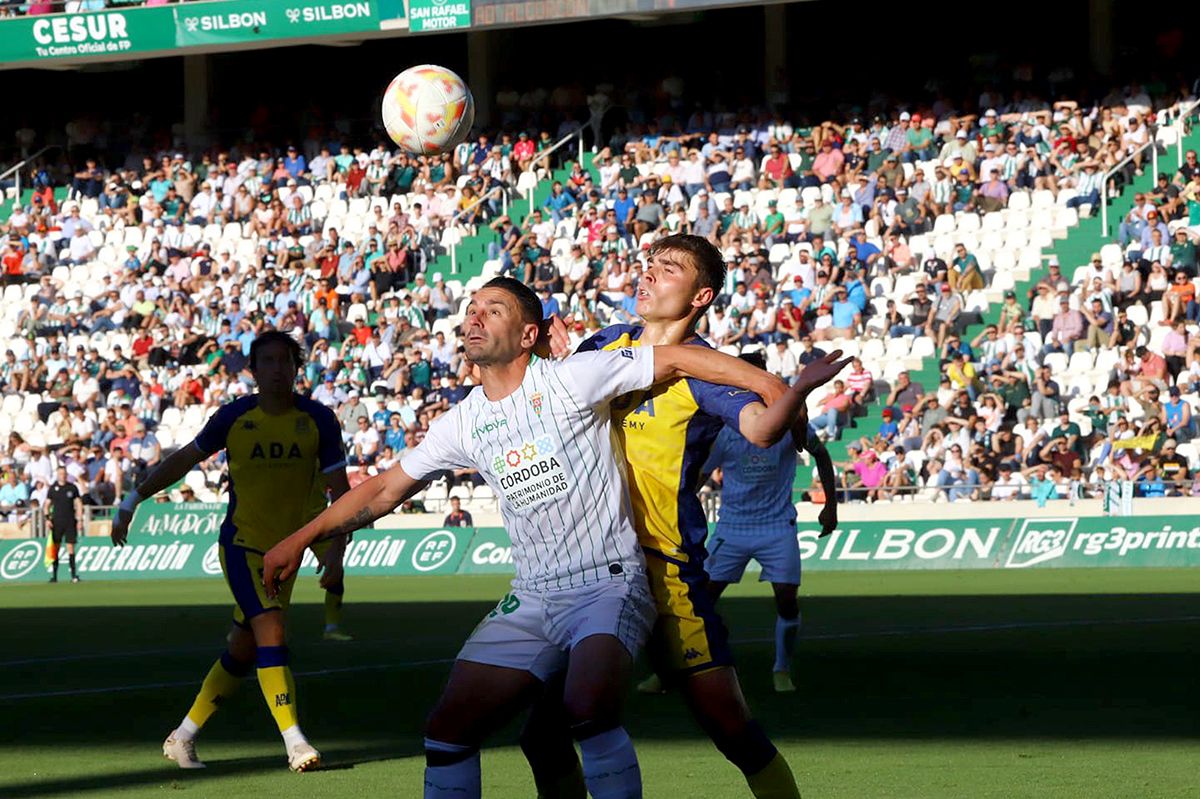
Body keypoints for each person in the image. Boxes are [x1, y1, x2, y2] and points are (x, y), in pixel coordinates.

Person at [262, 276, 820, 799]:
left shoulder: (573, 377)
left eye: (493, 310)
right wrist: (300, 537)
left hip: (610, 584)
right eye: (472, 310)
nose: (475, 319)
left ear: (529, 334)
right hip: (531, 595)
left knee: (588, 707)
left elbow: (677, 356)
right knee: (448, 731)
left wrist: (771, 385)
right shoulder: (462, 422)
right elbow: (384, 489)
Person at [532, 235, 850, 799]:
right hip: (590, 565)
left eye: (668, 269)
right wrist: (560, 366)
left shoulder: (706, 372)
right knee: (545, 731)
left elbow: (759, 429)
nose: (648, 275)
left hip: (666, 573)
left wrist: (796, 389)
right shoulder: (604, 342)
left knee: (733, 731)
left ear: (701, 295)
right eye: (647, 264)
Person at [110, 331, 352, 773]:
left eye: (285, 361)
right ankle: (296, 743)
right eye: (268, 361)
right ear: (253, 370)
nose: (277, 369)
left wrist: (334, 556)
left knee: (243, 650)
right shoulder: (234, 417)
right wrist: (133, 499)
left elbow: (343, 495)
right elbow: (184, 460)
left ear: (297, 368)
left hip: (289, 552)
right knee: (272, 633)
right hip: (242, 545)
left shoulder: (319, 420)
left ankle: (181, 737)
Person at [701, 351, 839, 694]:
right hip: (732, 528)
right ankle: (683, 667)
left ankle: (781, 668)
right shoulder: (726, 429)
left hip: (777, 528)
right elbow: (698, 474)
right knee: (700, 603)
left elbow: (821, 454)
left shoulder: (791, 424)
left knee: (787, 601)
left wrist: (831, 506)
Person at [46, 466, 84, 583]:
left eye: (64, 473)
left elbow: (78, 503)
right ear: (57, 475)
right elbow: (46, 504)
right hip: (57, 522)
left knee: (70, 547)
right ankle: (54, 576)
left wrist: (80, 519)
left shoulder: (72, 488)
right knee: (55, 548)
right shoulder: (53, 488)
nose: (62, 475)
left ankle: (73, 575)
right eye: (60, 473)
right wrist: (47, 519)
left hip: (70, 521)